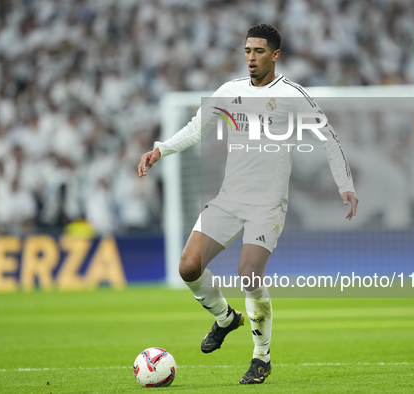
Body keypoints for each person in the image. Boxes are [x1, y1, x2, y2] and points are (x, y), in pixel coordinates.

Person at [138, 24, 358, 384]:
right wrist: (161, 149)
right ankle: (226, 318)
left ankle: (261, 358)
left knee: (249, 273)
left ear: (275, 55)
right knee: (188, 267)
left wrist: (344, 185)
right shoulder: (230, 91)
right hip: (230, 198)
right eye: (247, 51)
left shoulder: (292, 94)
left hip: (268, 204)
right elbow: (197, 127)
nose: (251, 58)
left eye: (258, 51)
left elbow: (328, 138)